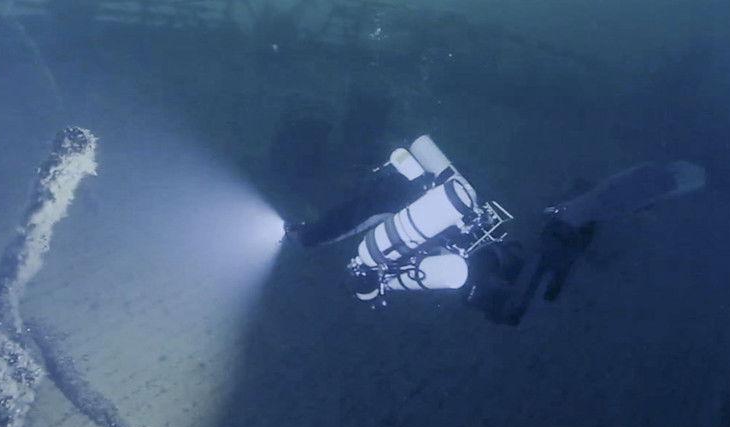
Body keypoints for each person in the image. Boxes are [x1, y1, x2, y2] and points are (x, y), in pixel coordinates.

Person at [285, 135, 705, 325]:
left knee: (565, 224)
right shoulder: (415, 193)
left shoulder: (394, 194)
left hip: (493, 230)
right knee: (567, 223)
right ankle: (533, 270)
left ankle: (532, 270)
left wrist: (310, 237)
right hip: (505, 230)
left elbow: (358, 216)